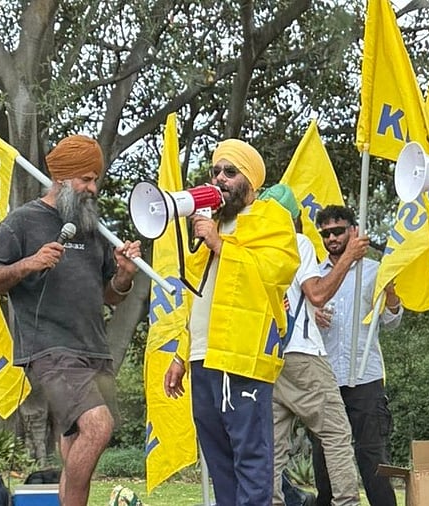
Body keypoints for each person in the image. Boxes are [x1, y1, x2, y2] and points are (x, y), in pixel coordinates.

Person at [0, 135, 142, 506]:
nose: (93, 187)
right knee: (98, 427)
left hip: (92, 350)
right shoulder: (22, 222)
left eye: (96, 179)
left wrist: (124, 275)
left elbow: (109, 295)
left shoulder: (91, 226)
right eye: (85, 179)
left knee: (75, 444)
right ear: (63, 178)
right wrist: (29, 263)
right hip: (49, 348)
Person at [162, 140, 299, 506]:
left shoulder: (271, 218)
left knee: (251, 458)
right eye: (215, 171)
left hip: (242, 357)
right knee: (219, 462)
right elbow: (198, 298)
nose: (220, 178)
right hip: (202, 357)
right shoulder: (212, 224)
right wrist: (180, 356)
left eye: (230, 172)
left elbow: (276, 272)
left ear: (250, 179)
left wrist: (221, 245)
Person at [259, 186, 365, 506]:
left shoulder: (249, 249)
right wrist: (349, 255)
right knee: (335, 434)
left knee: (274, 448)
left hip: (265, 359)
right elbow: (317, 294)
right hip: (301, 354)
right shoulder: (296, 241)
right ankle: (347, 503)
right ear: (294, 218)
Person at [311, 205, 403, 506]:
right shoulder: (312, 274)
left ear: (354, 231)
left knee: (372, 456)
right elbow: (297, 320)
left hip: (365, 376)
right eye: (325, 233)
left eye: (338, 231)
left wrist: (391, 295)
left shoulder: (375, 270)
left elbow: (393, 322)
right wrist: (313, 315)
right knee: (324, 458)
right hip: (325, 378)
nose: (332, 238)